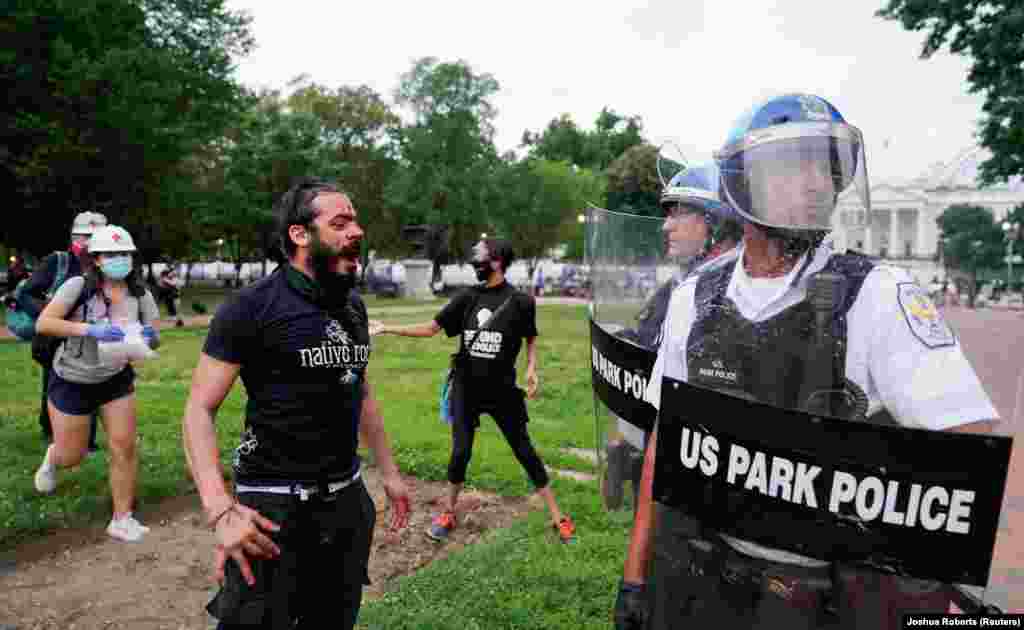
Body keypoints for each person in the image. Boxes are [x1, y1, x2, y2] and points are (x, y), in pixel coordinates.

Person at [614, 93, 1000, 630]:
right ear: (742, 181)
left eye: (826, 169)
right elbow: (664, 441)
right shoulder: (695, 299)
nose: (818, 184)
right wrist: (634, 577)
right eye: (796, 167)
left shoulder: (877, 296)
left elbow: (965, 449)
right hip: (702, 581)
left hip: (821, 601)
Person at [182, 178, 411, 630]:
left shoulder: (353, 307)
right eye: (340, 222)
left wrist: (389, 473)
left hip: (346, 505)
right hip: (272, 514)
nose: (356, 232)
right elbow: (197, 410)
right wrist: (220, 509)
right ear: (299, 234)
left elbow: (359, 390)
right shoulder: (250, 307)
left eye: (356, 222)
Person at [371, 238, 577, 544]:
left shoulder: (521, 302)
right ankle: (448, 512)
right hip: (466, 388)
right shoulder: (467, 297)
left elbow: (530, 338)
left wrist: (532, 368)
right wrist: (387, 327)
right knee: (460, 453)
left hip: (503, 391)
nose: (474, 263)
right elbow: (431, 328)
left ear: (496, 262)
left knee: (524, 451)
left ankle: (558, 515)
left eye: (479, 258)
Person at [604, 161, 743, 511]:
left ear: (715, 222)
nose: (666, 225)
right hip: (656, 463)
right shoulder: (676, 288)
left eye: (680, 213)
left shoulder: (739, 296)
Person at [33, 224, 160, 542]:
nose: (119, 259)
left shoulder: (140, 293)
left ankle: (122, 518)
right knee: (72, 456)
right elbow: (44, 323)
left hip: (116, 378)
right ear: (97, 259)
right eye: (111, 254)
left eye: (124, 254)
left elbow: (155, 335)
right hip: (73, 379)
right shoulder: (77, 285)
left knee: (124, 446)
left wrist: (149, 337)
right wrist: (90, 330)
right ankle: (53, 456)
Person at [19, 211, 107, 450]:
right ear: (74, 237)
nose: (88, 242)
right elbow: (26, 293)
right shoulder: (58, 262)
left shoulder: (106, 265)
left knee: (90, 383)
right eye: (84, 236)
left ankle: (87, 441)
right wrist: (50, 316)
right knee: (56, 384)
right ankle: (52, 430)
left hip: (91, 338)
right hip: (56, 338)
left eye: (94, 237)